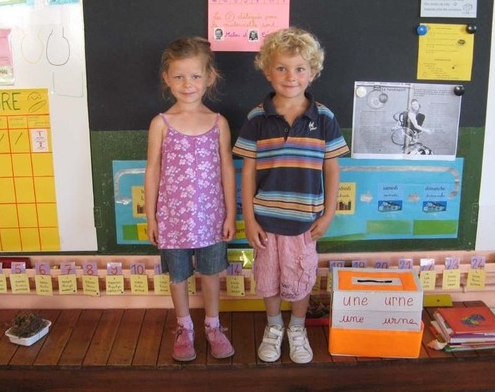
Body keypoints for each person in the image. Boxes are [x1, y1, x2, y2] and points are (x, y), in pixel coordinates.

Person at [233, 27, 349, 364]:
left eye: (300, 68)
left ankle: (297, 328)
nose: (290, 76)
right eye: (281, 68)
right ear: (268, 71)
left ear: (312, 73)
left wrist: (328, 214)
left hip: (305, 223)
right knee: (267, 278)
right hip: (266, 221)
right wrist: (249, 218)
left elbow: (332, 168)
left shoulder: (324, 118)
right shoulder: (257, 118)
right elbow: (249, 170)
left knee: (300, 278)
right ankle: (274, 326)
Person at [145, 37, 236, 362]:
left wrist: (229, 215)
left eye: (195, 76)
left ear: (210, 78)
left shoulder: (218, 123)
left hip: (211, 219)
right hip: (172, 221)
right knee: (178, 275)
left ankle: (213, 325)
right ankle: (184, 327)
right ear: (166, 78)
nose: (188, 84)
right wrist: (151, 218)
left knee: (211, 274)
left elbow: (227, 170)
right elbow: (152, 171)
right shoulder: (161, 124)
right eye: (179, 76)